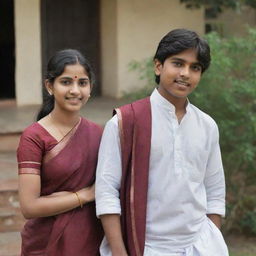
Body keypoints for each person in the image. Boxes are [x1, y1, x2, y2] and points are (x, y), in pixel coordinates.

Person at [95, 29, 229, 256]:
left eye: (195, 68)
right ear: (158, 66)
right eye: (178, 63)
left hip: (200, 245)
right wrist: (119, 251)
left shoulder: (207, 126)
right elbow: (107, 192)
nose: (185, 73)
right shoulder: (124, 122)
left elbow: (214, 191)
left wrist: (210, 240)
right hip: (147, 247)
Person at [17, 49, 103, 256]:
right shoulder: (34, 137)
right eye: (66, 82)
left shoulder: (98, 133)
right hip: (46, 243)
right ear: (49, 86)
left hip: (90, 240)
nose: (75, 90)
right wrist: (85, 195)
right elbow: (29, 207)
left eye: (82, 83)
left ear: (90, 88)